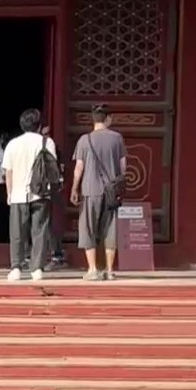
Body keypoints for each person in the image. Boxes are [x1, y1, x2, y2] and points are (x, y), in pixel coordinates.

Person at [71, 103, 127, 280]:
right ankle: (110, 270)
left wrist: (74, 188)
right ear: (107, 118)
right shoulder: (117, 138)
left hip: (90, 190)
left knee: (88, 228)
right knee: (110, 228)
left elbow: (79, 167)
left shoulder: (84, 140)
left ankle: (93, 269)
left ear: (93, 120)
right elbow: (123, 166)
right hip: (111, 191)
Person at [2, 108, 57, 281]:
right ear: (39, 125)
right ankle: (37, 268)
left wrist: (9, 194)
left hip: (18, 194)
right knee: (39, 231)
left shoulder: (13, 144)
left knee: (17, 232)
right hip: (40, 193)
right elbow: (52, 169)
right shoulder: (47, 143)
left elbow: (8, 171)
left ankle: (16, 267)